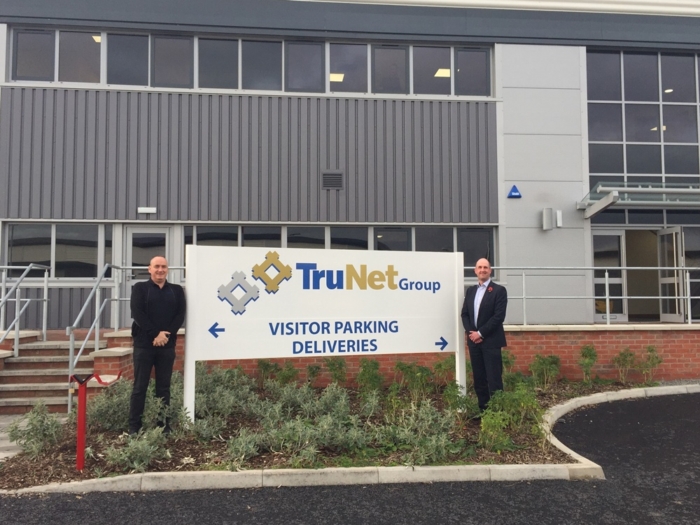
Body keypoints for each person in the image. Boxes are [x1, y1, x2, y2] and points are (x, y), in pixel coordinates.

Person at [129, 256, 186, 435]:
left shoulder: (176, 290)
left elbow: (180, 314)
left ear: (167, 269)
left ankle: (163, 425)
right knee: (140, 387)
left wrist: (165, 335)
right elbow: (137, 313)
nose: (160, 270)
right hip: (144, 345)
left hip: (166, 346)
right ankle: (134, 426)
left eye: (163, 267)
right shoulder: (140, 288)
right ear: (149, 269)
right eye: (156, 266)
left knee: (164, 388)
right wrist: (156, 334)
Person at [460, 258, 508, 413]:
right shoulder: (471, 291)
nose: (482, 270)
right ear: (475, 270)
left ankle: (497, 413)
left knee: (494, 379)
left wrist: (480, 333)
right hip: (474, 343)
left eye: (485, 267)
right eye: (479, 267)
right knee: (479, 379)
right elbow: (465, 314)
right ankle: (484, 411)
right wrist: (472, 334)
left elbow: (498, 317)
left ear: (490, 270)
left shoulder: (499, 291)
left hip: (491, 342)